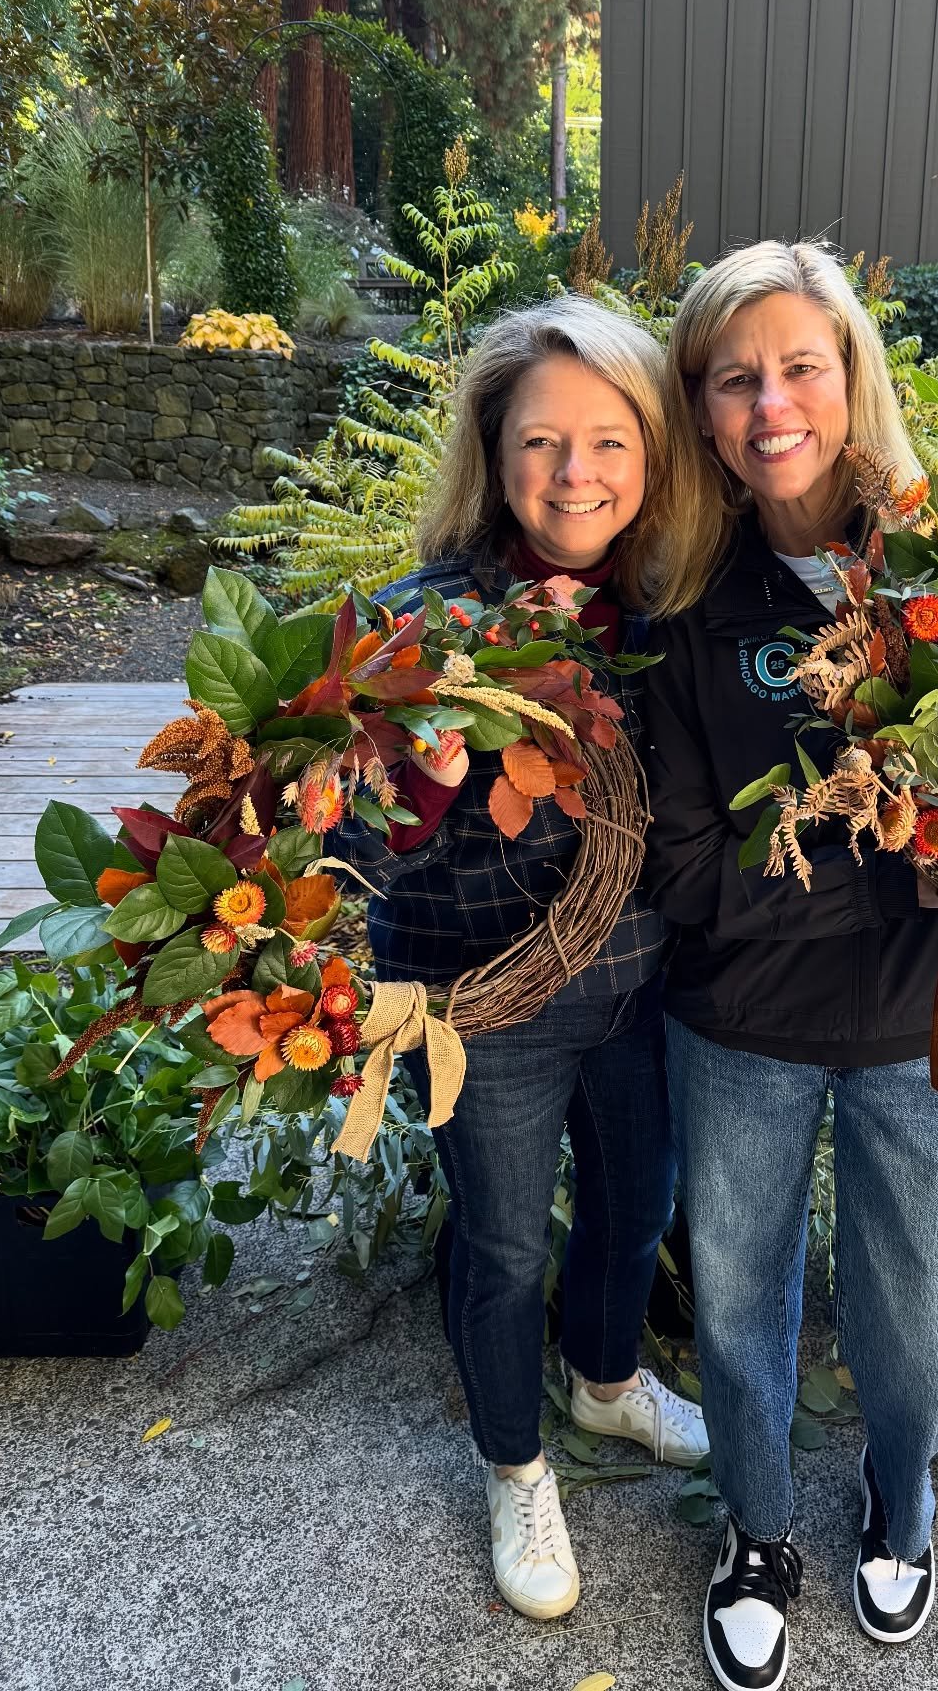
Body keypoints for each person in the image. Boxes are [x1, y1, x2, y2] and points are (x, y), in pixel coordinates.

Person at [642, 242, 938, 1691]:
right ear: (703, 409)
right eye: (737, 378)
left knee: (923, 1314)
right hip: (742, 1023)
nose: (772, 401)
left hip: (930, 1018)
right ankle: (759, 1527)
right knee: (737, 1298)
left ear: (853, 375)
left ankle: (900, 1490)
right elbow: (684, 868)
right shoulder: (676, 599)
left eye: (802, 365)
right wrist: (896, 862)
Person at [336, 296, 724, 1622]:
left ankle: (604, 1381)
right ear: (494, 455)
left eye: (608, 441)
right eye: (541, 443)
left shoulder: (671, 615)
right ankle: (515, 1462)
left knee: (631, 1207)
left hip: (634, 990)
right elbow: (343, 849)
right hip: (476, 1004)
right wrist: (422, 777)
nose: (575, 476)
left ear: (653, 452)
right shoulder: (414, 625)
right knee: (502, 1245)